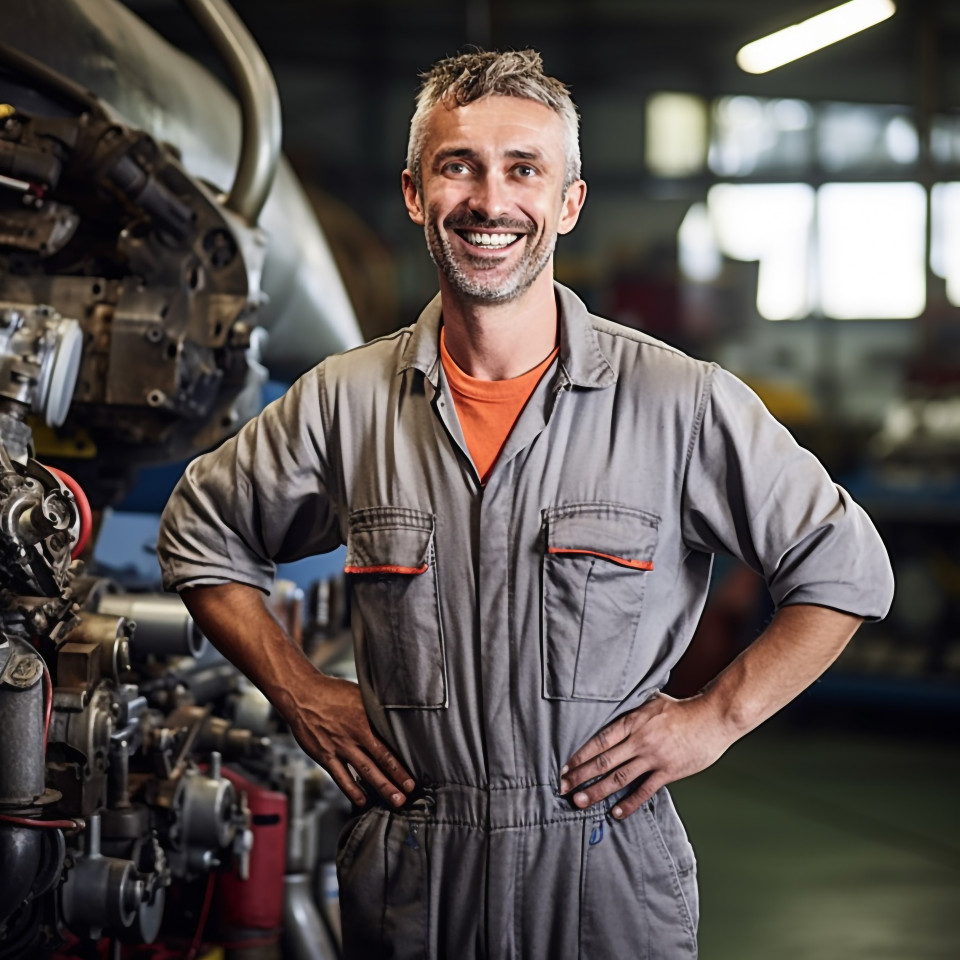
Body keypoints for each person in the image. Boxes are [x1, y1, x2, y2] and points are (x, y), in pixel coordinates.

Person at [158, 49, 894, 959]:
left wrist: (715, 717)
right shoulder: (343, 402)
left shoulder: (680, 402)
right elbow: (200, 535)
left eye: (523, 169)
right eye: (457, 164)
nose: (489, 200)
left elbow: (847, 569)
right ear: (415, 193)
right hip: (415, 869)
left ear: (569, 202)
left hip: (604, 863)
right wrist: (298, 691)